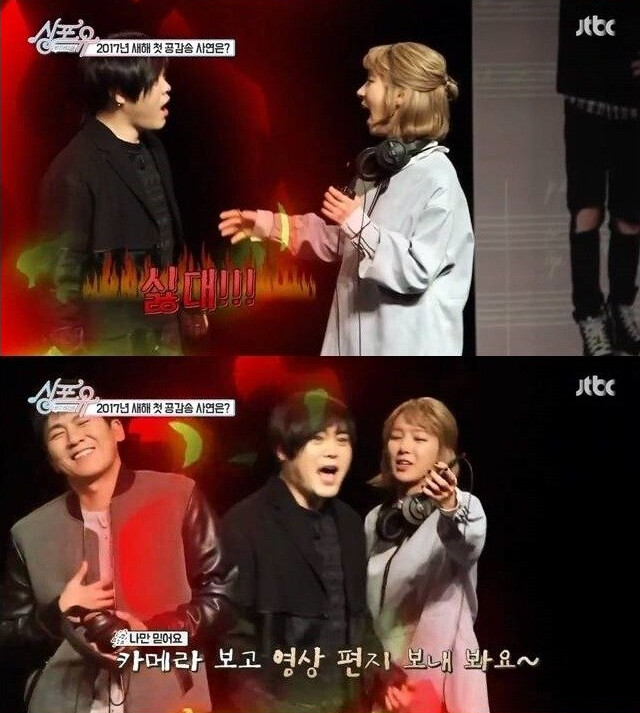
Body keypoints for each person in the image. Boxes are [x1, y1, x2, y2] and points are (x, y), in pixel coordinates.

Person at [219, 42, 473, 356]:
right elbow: (345, 243)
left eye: (371, 81)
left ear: (400, 95)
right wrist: (273, 226)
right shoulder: (382, 171)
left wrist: (357, 223)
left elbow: (416, 270)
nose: (360, 92)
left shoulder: (437, 178)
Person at [0, 403, 235, 713]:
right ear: (52, 460)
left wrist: (151, 636)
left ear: (116, 429)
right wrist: (56, 613)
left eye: (83, 422)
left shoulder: (178, 495)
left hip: (165, 697)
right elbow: (9, 635)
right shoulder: (29, 532)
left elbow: (224, 596)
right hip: (61, 701)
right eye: (58, 433)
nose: (74, 438)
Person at [219, 391, 408, 713]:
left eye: (342, 440)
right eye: (317, 439)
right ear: (282, 450)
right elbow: (231, 644)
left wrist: (383, 675)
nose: (332, 451)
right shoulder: (244, 524)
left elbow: (358, 621)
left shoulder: (350, 524)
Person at [40, 32, 206, 355]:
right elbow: (61, 271)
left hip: (165, 331)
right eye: (155, 78)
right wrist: (69, 342)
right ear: (118, 92)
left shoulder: (155, 148)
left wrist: (191, 303)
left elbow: (170, 240)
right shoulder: (74, 168)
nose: (167, 87)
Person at [364, 398, 488, 713]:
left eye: (419, 438)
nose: (404, 447)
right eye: (396, 437)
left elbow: (467, 543)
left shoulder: (462, 508)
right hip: (387, 683)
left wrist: (449, 506)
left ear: (443, 454)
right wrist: (379, 670)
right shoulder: (376, 520)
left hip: (441, 682)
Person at [557, 0, 640, 355]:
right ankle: (590, 314)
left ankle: (621, 307)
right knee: (587, 209)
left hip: (633, 99)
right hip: (587, 89)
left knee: (631, 216)